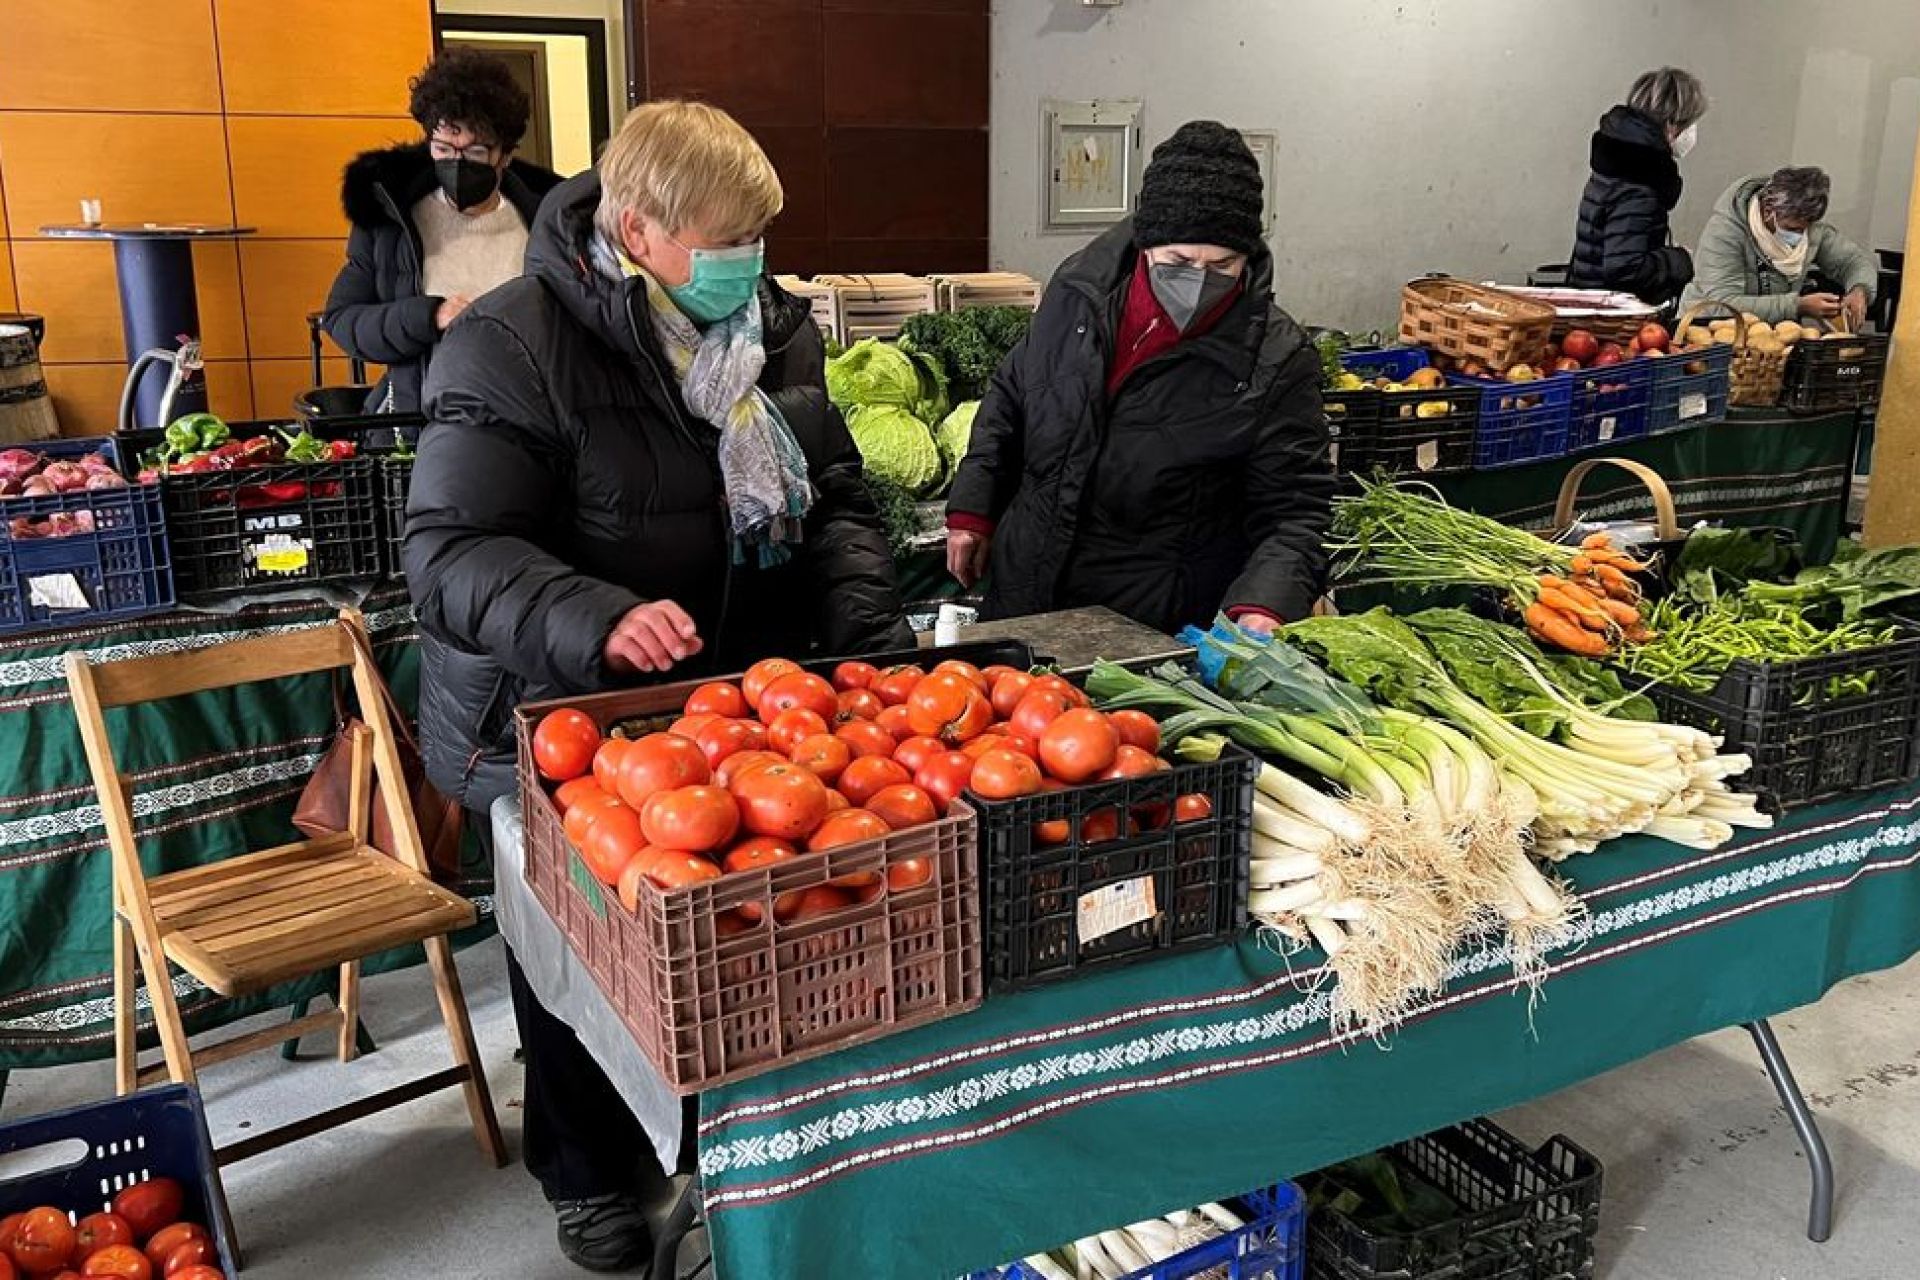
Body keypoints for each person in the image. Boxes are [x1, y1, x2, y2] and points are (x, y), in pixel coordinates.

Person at [404, 100, 910, 1272]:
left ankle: (713, 1147)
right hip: (553, 706)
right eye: (731, 240)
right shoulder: (512, 341)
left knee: (714, 937)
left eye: (760, 239)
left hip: (721, 703)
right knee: (574, 952)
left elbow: (831, 495)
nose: (755, 266)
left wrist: (868, 635)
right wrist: (599, 615)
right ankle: (584, 1170)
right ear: (637, 228)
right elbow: (450, 553)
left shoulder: (772, 330)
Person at [945, 121, 1332, 636]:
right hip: (1027, 588)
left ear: (1249, 256)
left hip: (1150, 621)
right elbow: (1014, 391)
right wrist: (973, 507)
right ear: (1147, 243)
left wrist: (1263, 604)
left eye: (1223, 264)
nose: (1198, 279)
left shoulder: (1277, 359)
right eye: (1179, 260)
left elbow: (1294, 512)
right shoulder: (1078, 292)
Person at [324, 49, 562, 412]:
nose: (457, 163)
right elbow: (343, 320)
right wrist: (429, 316)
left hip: (525, 418)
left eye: (477, 152)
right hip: (422, 420)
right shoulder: (391, 221)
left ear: (507, 155)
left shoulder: (545, 219)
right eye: (443, 148)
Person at [1567, 67, 1708, 306]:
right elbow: (1625, 269)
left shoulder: (1615, 165)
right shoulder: (1639, 186)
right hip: (1612, 314)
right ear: (1672, 125)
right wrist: (1680, 260)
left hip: (1590, 297)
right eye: (1691, 123)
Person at [1683, 166, 1878, 329]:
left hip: (1770, 340)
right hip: (1708, 332)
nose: (1801, 235)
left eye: (1806, 228)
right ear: (1769, 210)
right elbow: (1722, 304)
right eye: (1792, 228)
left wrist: (1860, 290)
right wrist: (1797, 306)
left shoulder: (1811, 228)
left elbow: (1853, 261)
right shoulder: (1725, 232)